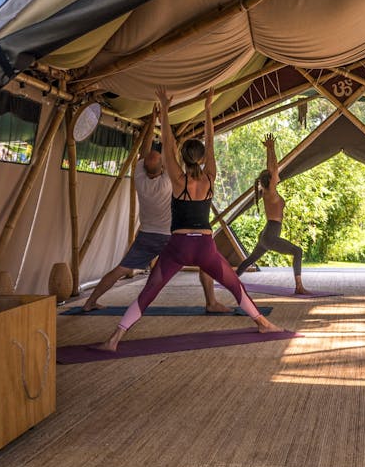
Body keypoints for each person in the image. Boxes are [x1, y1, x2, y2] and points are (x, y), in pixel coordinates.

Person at [97, 88, 283, 351]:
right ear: (202, 158)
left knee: (149, 292)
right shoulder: (209, 177)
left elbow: (169, 144)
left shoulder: (177, 179)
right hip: (205, 247)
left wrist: (164, 107)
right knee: (234, 285)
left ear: (182, 159)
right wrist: (208, 109)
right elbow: (211, 144)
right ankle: (262, 322)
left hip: (179, 246)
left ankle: (114, 339)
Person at [81, 106, 231, 314]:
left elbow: (145, 152)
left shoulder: (140, 178)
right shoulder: (170, 181)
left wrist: (152, 122)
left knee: (121, 269)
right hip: (172, 237)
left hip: (147, 236)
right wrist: (159, 120)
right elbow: (167, 151)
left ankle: (90, 301)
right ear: (163, 168)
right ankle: (211, 302)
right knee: (204, 263)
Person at [235, 133, 310, 294]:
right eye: (274, 176)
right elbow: (273, 167)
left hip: (267, 233)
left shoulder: (267, 191)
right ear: (271, 180)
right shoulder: (270, 192)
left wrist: (269, 149)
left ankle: (232, 281)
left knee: (250, 260)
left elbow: (271, 169)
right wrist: (271, 148)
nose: (277, 175)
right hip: (270, 234)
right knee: (298, 251)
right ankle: (299, 287)